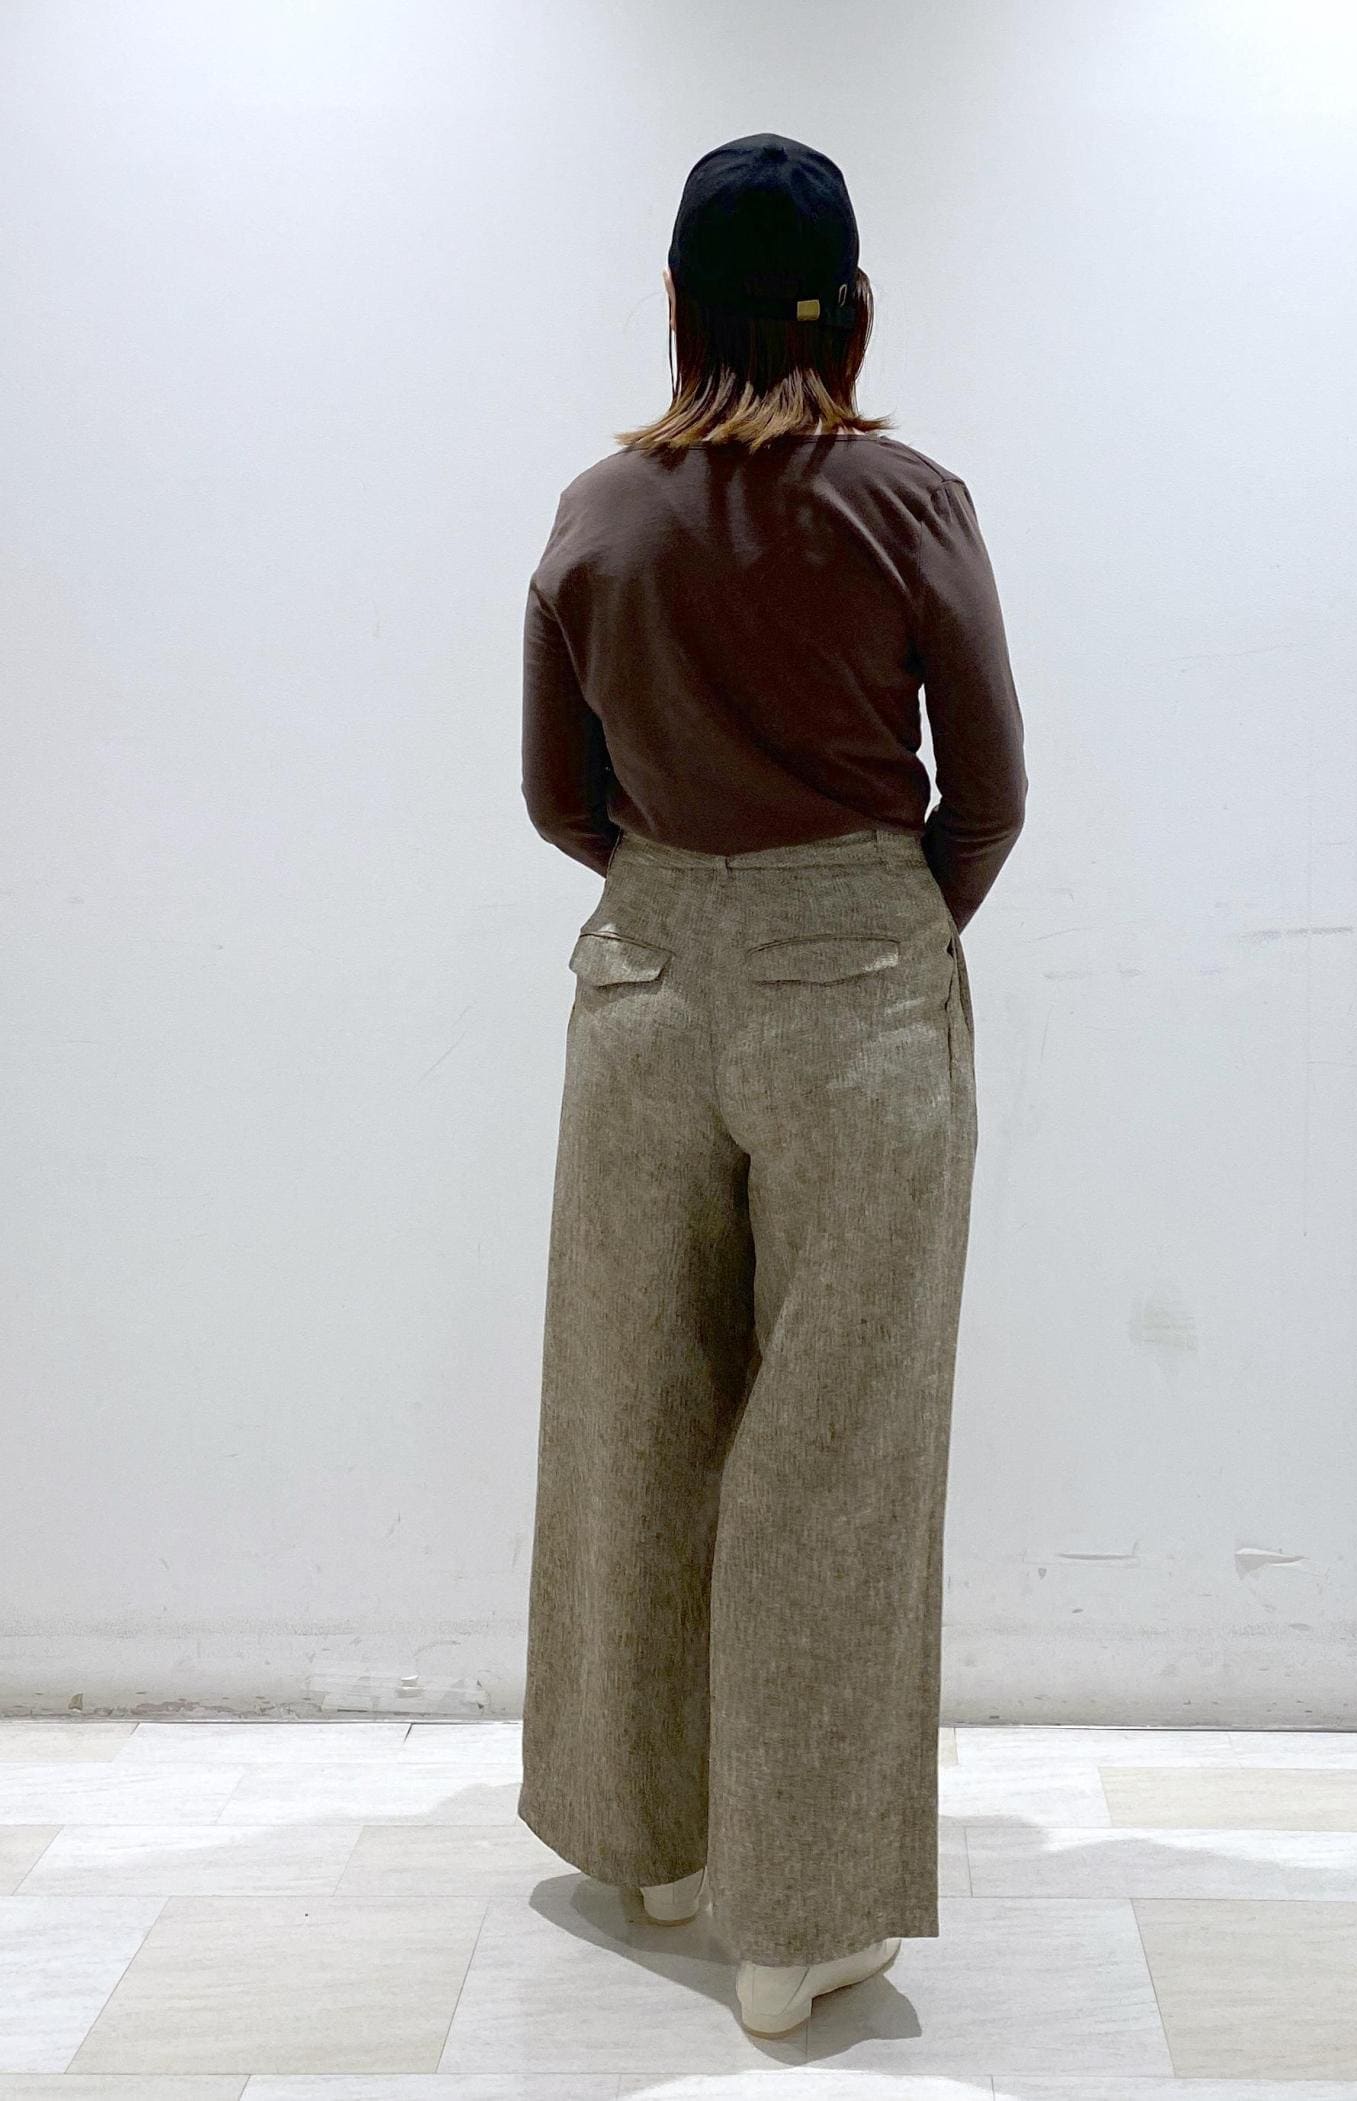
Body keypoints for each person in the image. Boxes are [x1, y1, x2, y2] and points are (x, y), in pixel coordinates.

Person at [516, 131, 1027, 2040]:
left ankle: (638, 1838)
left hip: (640, 981)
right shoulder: (909, 503)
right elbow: (991, 791)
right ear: (855, 309)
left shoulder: (595, 511)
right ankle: (796, 1925)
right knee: (837, 1439)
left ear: (673, 303)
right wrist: (871, 923)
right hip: (859, 987)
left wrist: (684, 900)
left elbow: (556, 795)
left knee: (631, 1407)